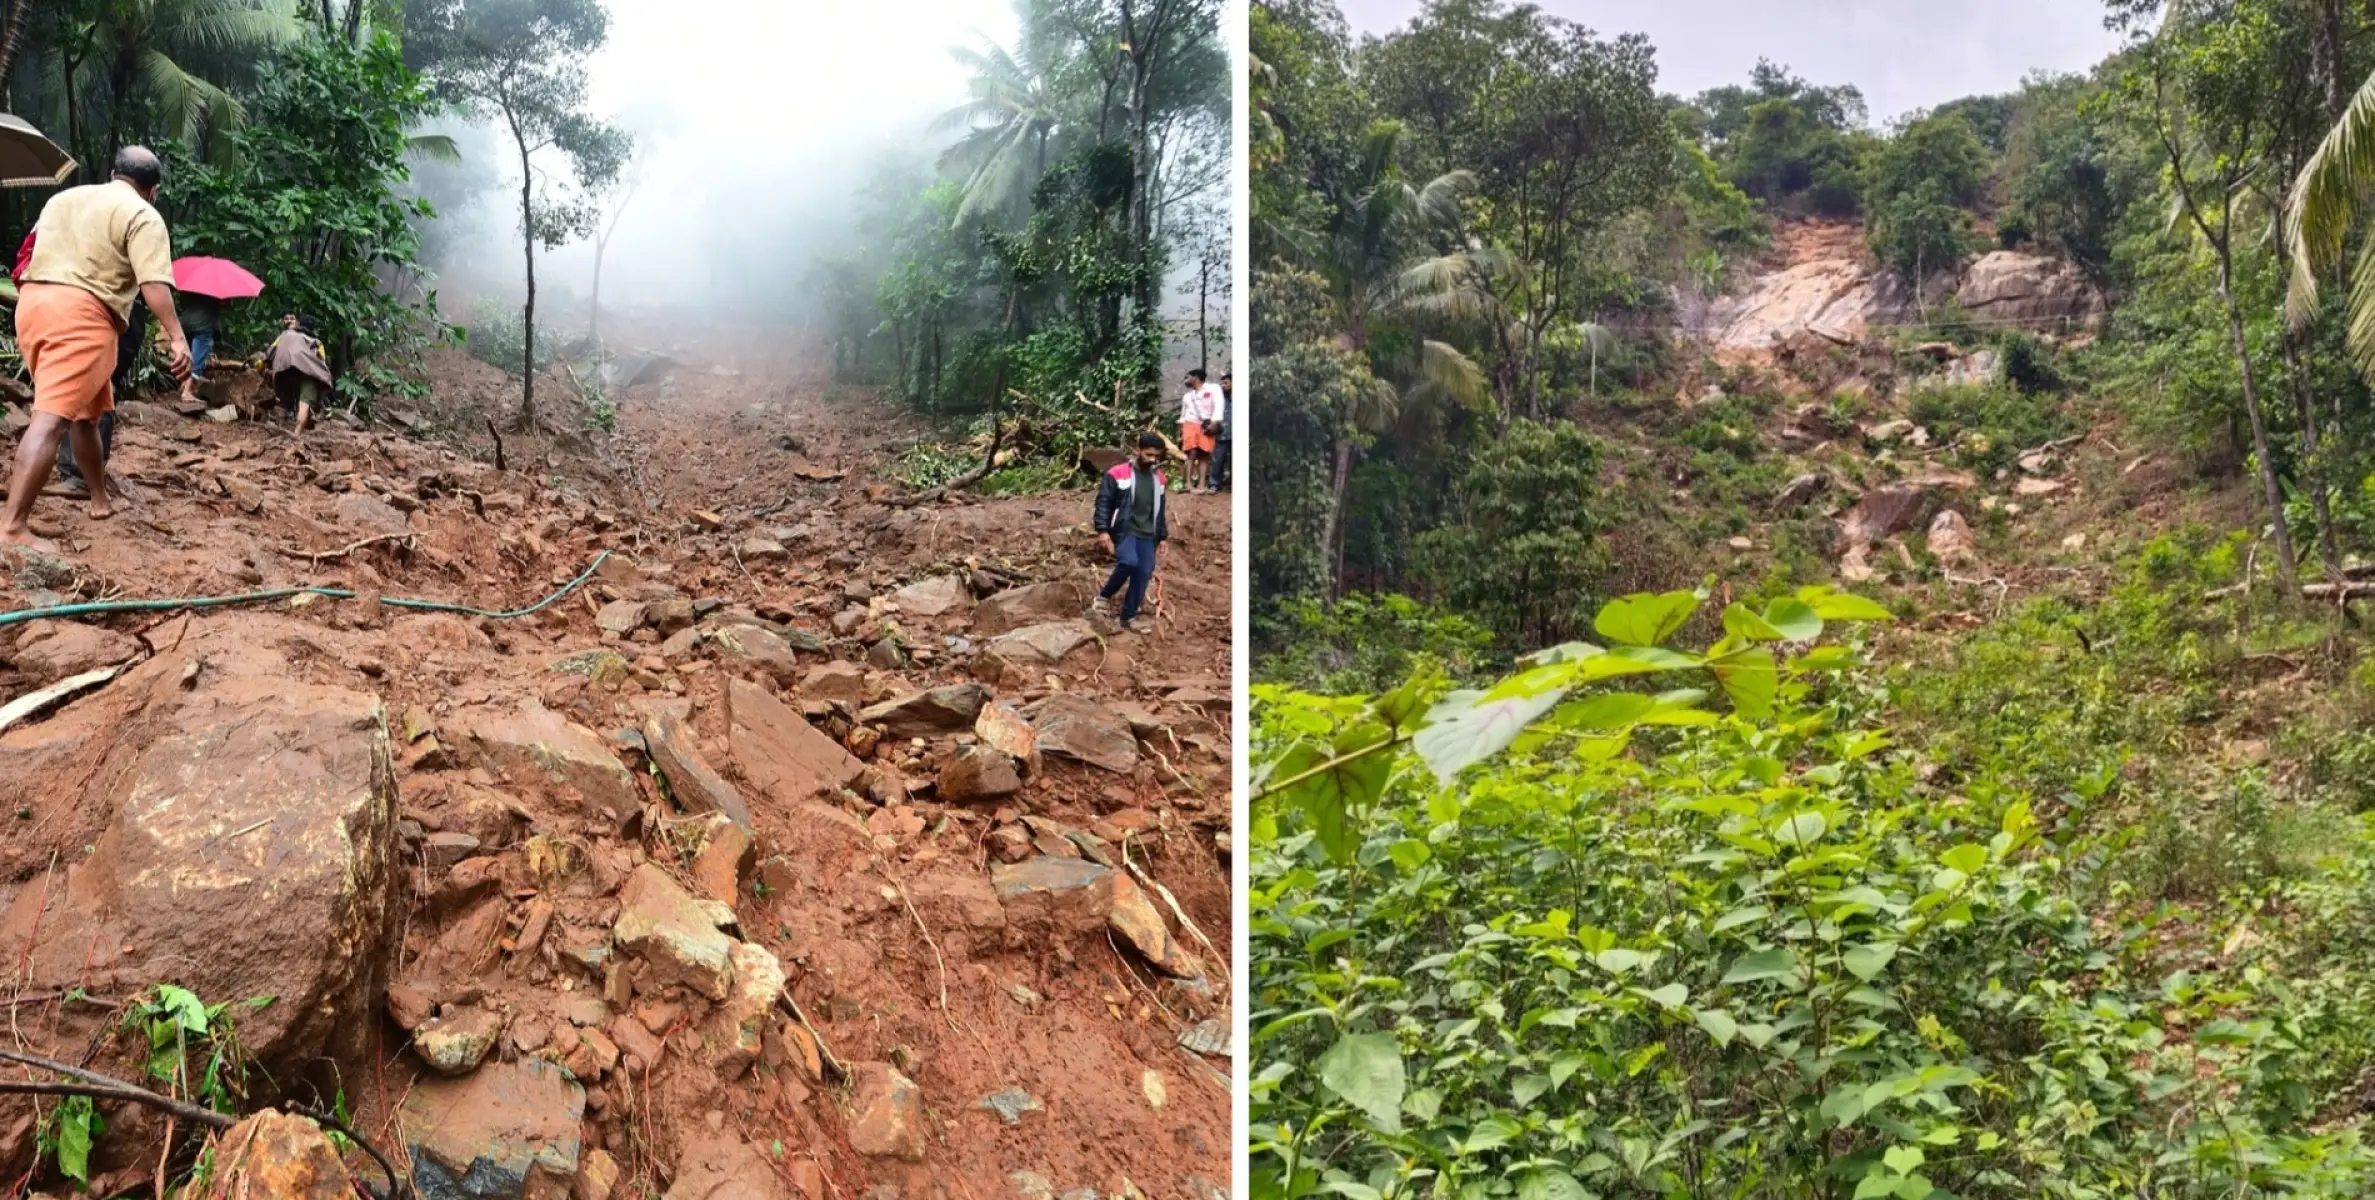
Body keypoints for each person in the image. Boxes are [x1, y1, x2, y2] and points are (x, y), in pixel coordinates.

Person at [2, 147, 191, 547]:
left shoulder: (64, 199)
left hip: (33, 305)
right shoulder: (143, 214)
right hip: (82, 315)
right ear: (153, 190)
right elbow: (153, 284)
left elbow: (28, 252)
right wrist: (176, 337)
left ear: (113, 174)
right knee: (51, 418)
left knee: (88, 414)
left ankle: (99, 498)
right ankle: (12, 526)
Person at [1091, 431, 1170, 634]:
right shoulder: (1117, 474)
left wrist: (1162, 536)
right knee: (1128, 562)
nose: (1153, 460)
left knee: (1144, 571)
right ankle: (1103, 597)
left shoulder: (1159, 479)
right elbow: (1104, 502)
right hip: (1125, 529)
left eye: (1156, 456)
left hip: (1148, 532)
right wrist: (1103, 531)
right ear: (1138, 451)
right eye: (1149, 455)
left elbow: (1160, 509)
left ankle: (1128, 617)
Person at [268, 313, 332, 433]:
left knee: (291, 399)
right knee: (304, 404)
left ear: (299, 324)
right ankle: (296, 434)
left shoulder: (285, 336)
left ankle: (289, 422)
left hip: (288, 373)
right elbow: (322, 361)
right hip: (308, 375)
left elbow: (270, 351)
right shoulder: (316, 342)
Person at [1178, 367, 1224, 493]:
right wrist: (1180, 432)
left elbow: (1218, 405)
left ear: (1195, 378)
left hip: (1206, 425)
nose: (1185, 380)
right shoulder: (1187, 396)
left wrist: (1215, 422)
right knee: (1191, 453)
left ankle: (1201, 485)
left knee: (1204, 455)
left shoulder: (1213, 389)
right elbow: (1183, 415)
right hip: (1190, 425)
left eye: (1187, 377)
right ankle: (1188, 484)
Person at [177, 292, 221, 405]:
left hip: (185, 322)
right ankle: (187, 391)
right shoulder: (214, 286)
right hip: (203, 324)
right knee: (197, 360)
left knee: (188, 356)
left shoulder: (192, 283)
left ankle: (184, 385)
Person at [1210, 370, 1233, 493]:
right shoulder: (1218, 398)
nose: (1223, 386)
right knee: (1217, 459)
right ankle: (1214, 484)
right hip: (1221, 433)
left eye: (1226, 383)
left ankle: (1233, 485)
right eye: (1222, 384)